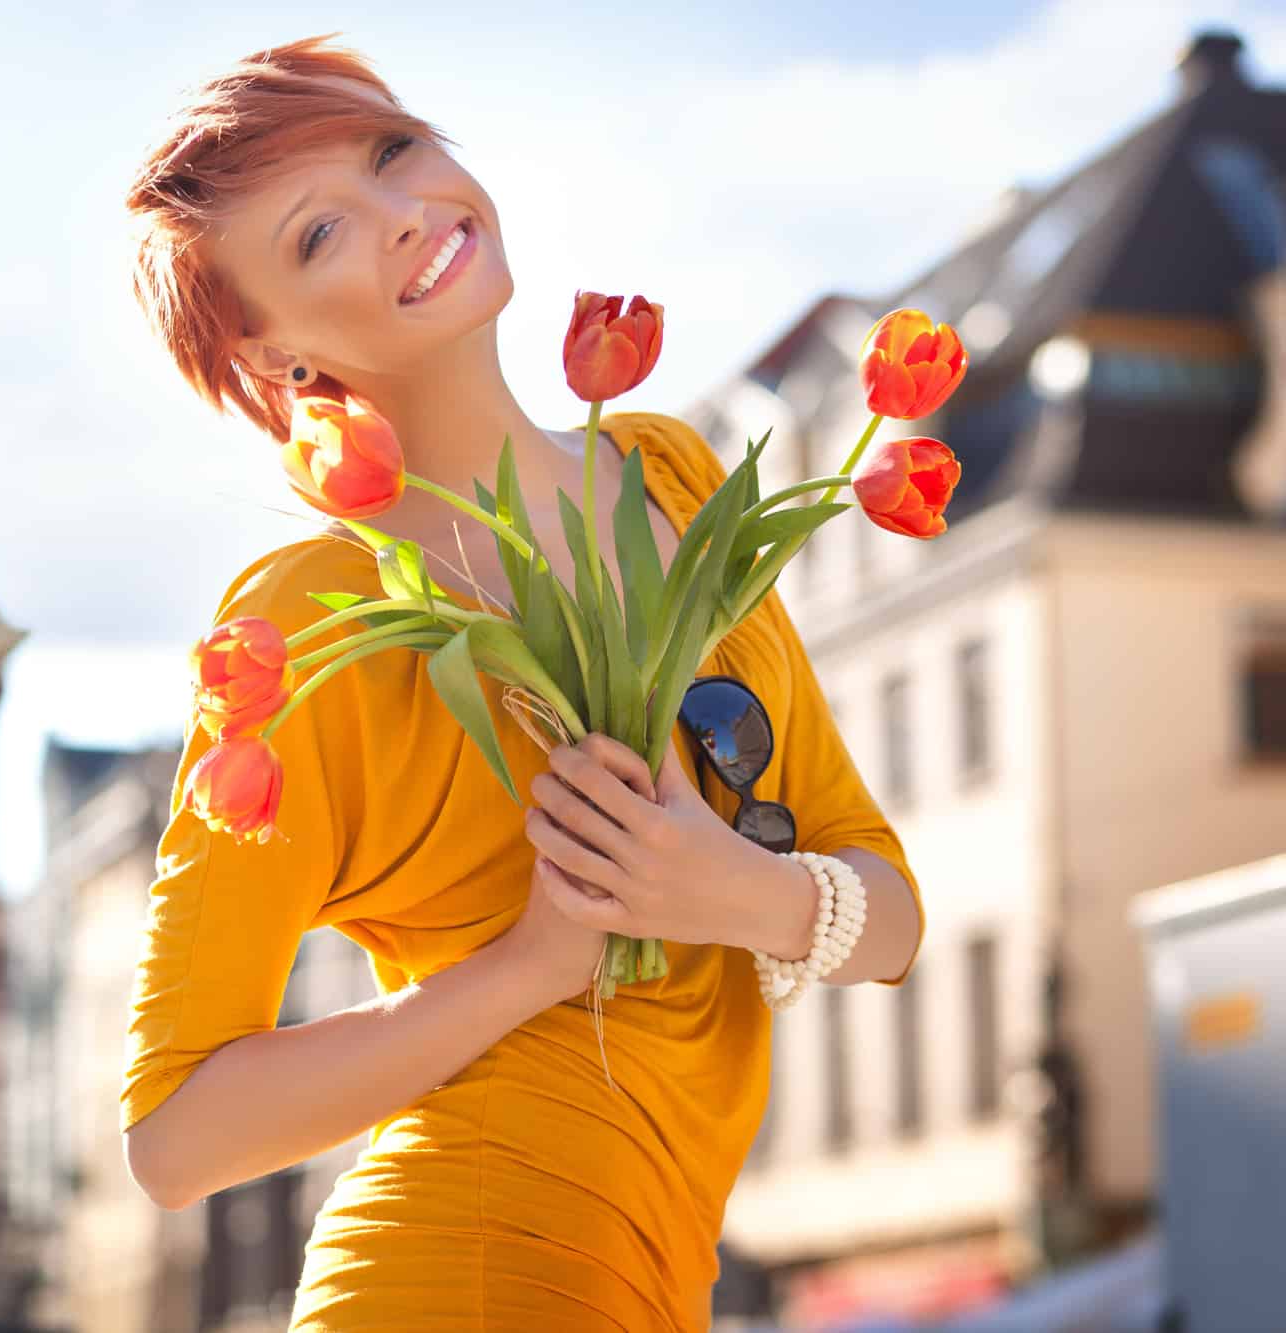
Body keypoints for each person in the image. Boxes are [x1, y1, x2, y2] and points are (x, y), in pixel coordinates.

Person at [118, 33, 925, 1332]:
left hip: (663, 1278)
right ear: (277, 361)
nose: (403, 215)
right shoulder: (308, 619)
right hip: (453, 1277)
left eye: (397, 152)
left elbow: (888, 907)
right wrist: (531, 962)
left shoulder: (670, 479)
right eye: (322, 233)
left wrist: (730, 889)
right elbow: (171, 1136)